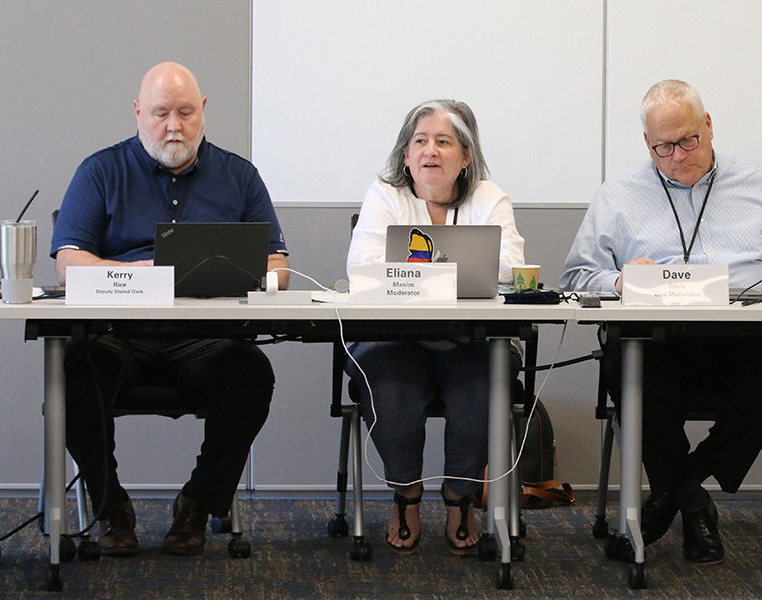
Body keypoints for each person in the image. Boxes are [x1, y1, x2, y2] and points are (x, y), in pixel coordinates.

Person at [560, 80, 762, 564]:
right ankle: (694, 505)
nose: (677, 156)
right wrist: (619, 282)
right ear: (647, 144)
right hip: (658, 342)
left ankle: (672, 498)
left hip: (745, 339)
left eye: (688, 140)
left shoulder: (759, 182)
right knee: (629, 379)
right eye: (663, 147)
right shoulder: (618, 195)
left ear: (709, 126)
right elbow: (577, 276)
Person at [50, 62, 289, 556]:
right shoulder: (100, 171)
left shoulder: (240, 176)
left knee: (251, 375)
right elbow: (68, 265)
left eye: (184, 112)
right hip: (115, 335)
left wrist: (257, 278)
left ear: (203, 111)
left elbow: (279, 265)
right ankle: (110, 504)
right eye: (160, 114)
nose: (174, 126)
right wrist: (144, 274)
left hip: (208, 339)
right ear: (139, 113)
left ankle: (197, 503)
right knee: (70, 374)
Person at [344, 99, 525, 555]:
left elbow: (510, 267)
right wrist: (457, 268)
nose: (431, 151)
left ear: (465, 156)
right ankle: (405, 494)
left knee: (483, 389)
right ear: (405, 155)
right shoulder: (385, 195)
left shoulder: (489, 197)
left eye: (444, 142)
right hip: (393, 338)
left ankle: (459, 498)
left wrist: (422, 269)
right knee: (390, 386)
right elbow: (362, 267)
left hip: (469, 339)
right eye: (419, 141)